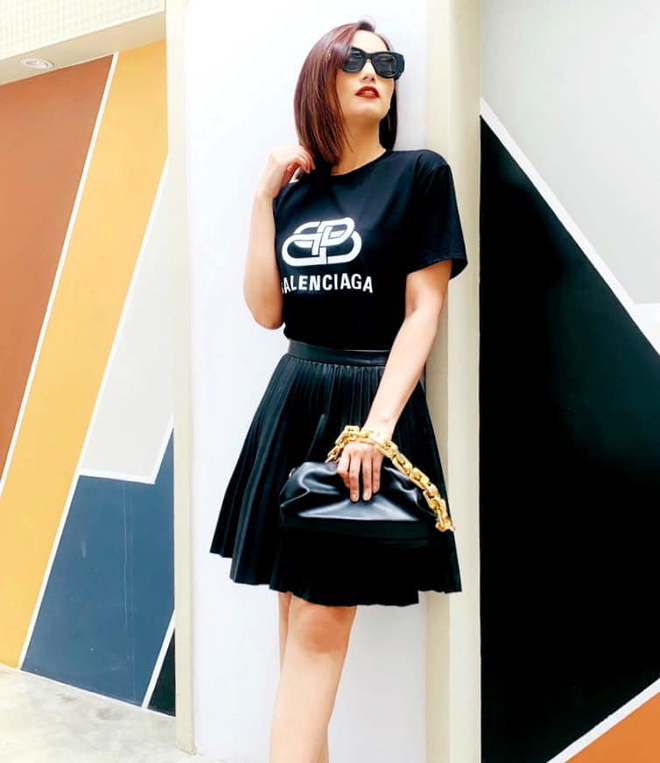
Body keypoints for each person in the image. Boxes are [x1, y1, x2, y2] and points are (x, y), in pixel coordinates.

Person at [209, 17, 468, 763]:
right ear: (320, 76)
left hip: (367, 403)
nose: (373, 71)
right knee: (295, 619)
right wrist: (262, 197)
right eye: (354, 59)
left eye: (387, 63)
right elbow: (267, 311)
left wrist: (376, 429)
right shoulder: (294, 195)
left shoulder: (419, 175)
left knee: (319, 627)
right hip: (293, 398)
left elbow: (424, 310)